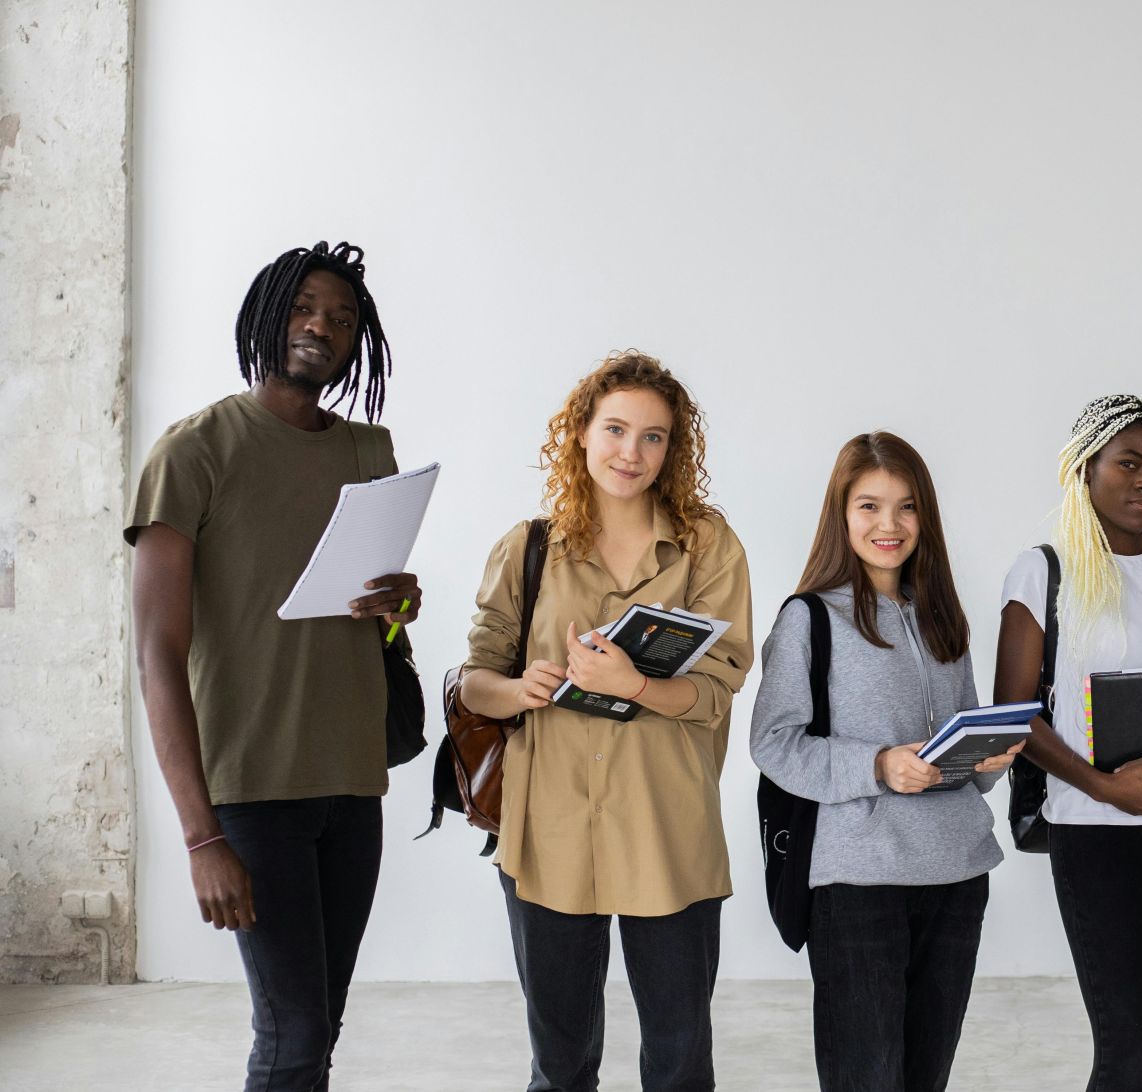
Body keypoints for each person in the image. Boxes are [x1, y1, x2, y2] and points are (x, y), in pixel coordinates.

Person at [128, 240, 421, 1090]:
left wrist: (398, 603)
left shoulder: (371, 450)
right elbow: (156, 655)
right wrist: (199, 836)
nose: (320, 327)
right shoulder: (195, 453)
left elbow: (378, 622)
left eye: (341, 317)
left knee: (315, 1029)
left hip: (351, 780)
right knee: (290, 1037)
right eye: (303, 308)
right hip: (251, 792)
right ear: (266, 314)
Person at [459, 351, 752, 1092]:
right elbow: (474, 681)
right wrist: (521, 687)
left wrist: (634, 686)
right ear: (581, 433)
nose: (631, 452)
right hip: (547, 832)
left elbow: (719, 690)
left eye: (653, 437)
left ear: (672, 450)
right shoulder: (525, 548)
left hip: (666, 826)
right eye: (616, 429)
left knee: (680, 1065)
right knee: (558, 1069)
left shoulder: (708, 547)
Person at [751, 431, 1024, 1092]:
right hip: (856, 882)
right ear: (840, 515)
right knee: (866, 1079)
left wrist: (992, 760)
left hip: (957, 875)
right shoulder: (808, 619)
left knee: (925, 1078)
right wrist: (877, 765)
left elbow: (958, 757)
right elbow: (773, 743)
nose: (889, 525)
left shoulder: (941, 619)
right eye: (869, 506)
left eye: (906, 507)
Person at [992, 394, 1142, 1092]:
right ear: (1084, 467)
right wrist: (1104, 786)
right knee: (1126, 1052)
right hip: (1094, 833)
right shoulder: (1044, 571)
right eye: (1129, 463)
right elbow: (1014, 712)